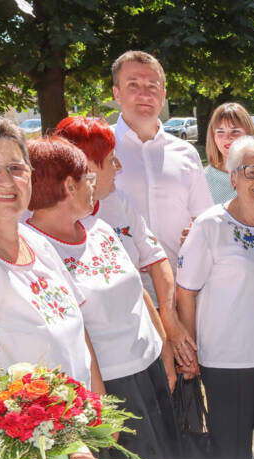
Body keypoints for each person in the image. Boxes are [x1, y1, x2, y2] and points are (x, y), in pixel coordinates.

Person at [24, 136, 179, 459]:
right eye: (87, 178)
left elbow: (136, 288)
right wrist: (98, 404)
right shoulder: (37, 250)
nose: (92, 186)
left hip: (149, 368)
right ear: (68, 186)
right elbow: (75, 330)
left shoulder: (100, 228)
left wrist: (164, 347)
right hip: (111, 386)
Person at [0, 110, 103, 393]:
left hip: (82, 425)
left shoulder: (35, 241)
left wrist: (102, 413)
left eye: (16, 168)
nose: (6, 180)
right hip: (30, 435)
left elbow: (80, 335)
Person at [175, 137, 254, 459]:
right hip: (227, 362)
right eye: (252, 171)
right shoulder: (210, 225)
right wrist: (190, 350)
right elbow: (185, 291)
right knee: (231, 457)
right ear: (233, 177)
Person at [53, 115, 197, 384]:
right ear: (83, 167)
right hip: (97, 372)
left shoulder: (118, 202)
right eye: (110, 160)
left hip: (140, 353)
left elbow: (155, 260)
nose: (118, 167)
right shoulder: (41, 225)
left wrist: (168, 327)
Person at [109, 51, 212, 301]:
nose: (145, 94)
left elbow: (203, 219)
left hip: (181, 291)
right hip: (119, 297)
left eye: (152, 86)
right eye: (133, 85)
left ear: (164, 95)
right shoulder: (99, 148)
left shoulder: (186, 153)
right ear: (116, 93)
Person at [203, 103, 254, 203]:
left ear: (249, 134)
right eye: (220, 132)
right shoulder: (202, 179)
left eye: (235, 131)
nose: (227, 137)